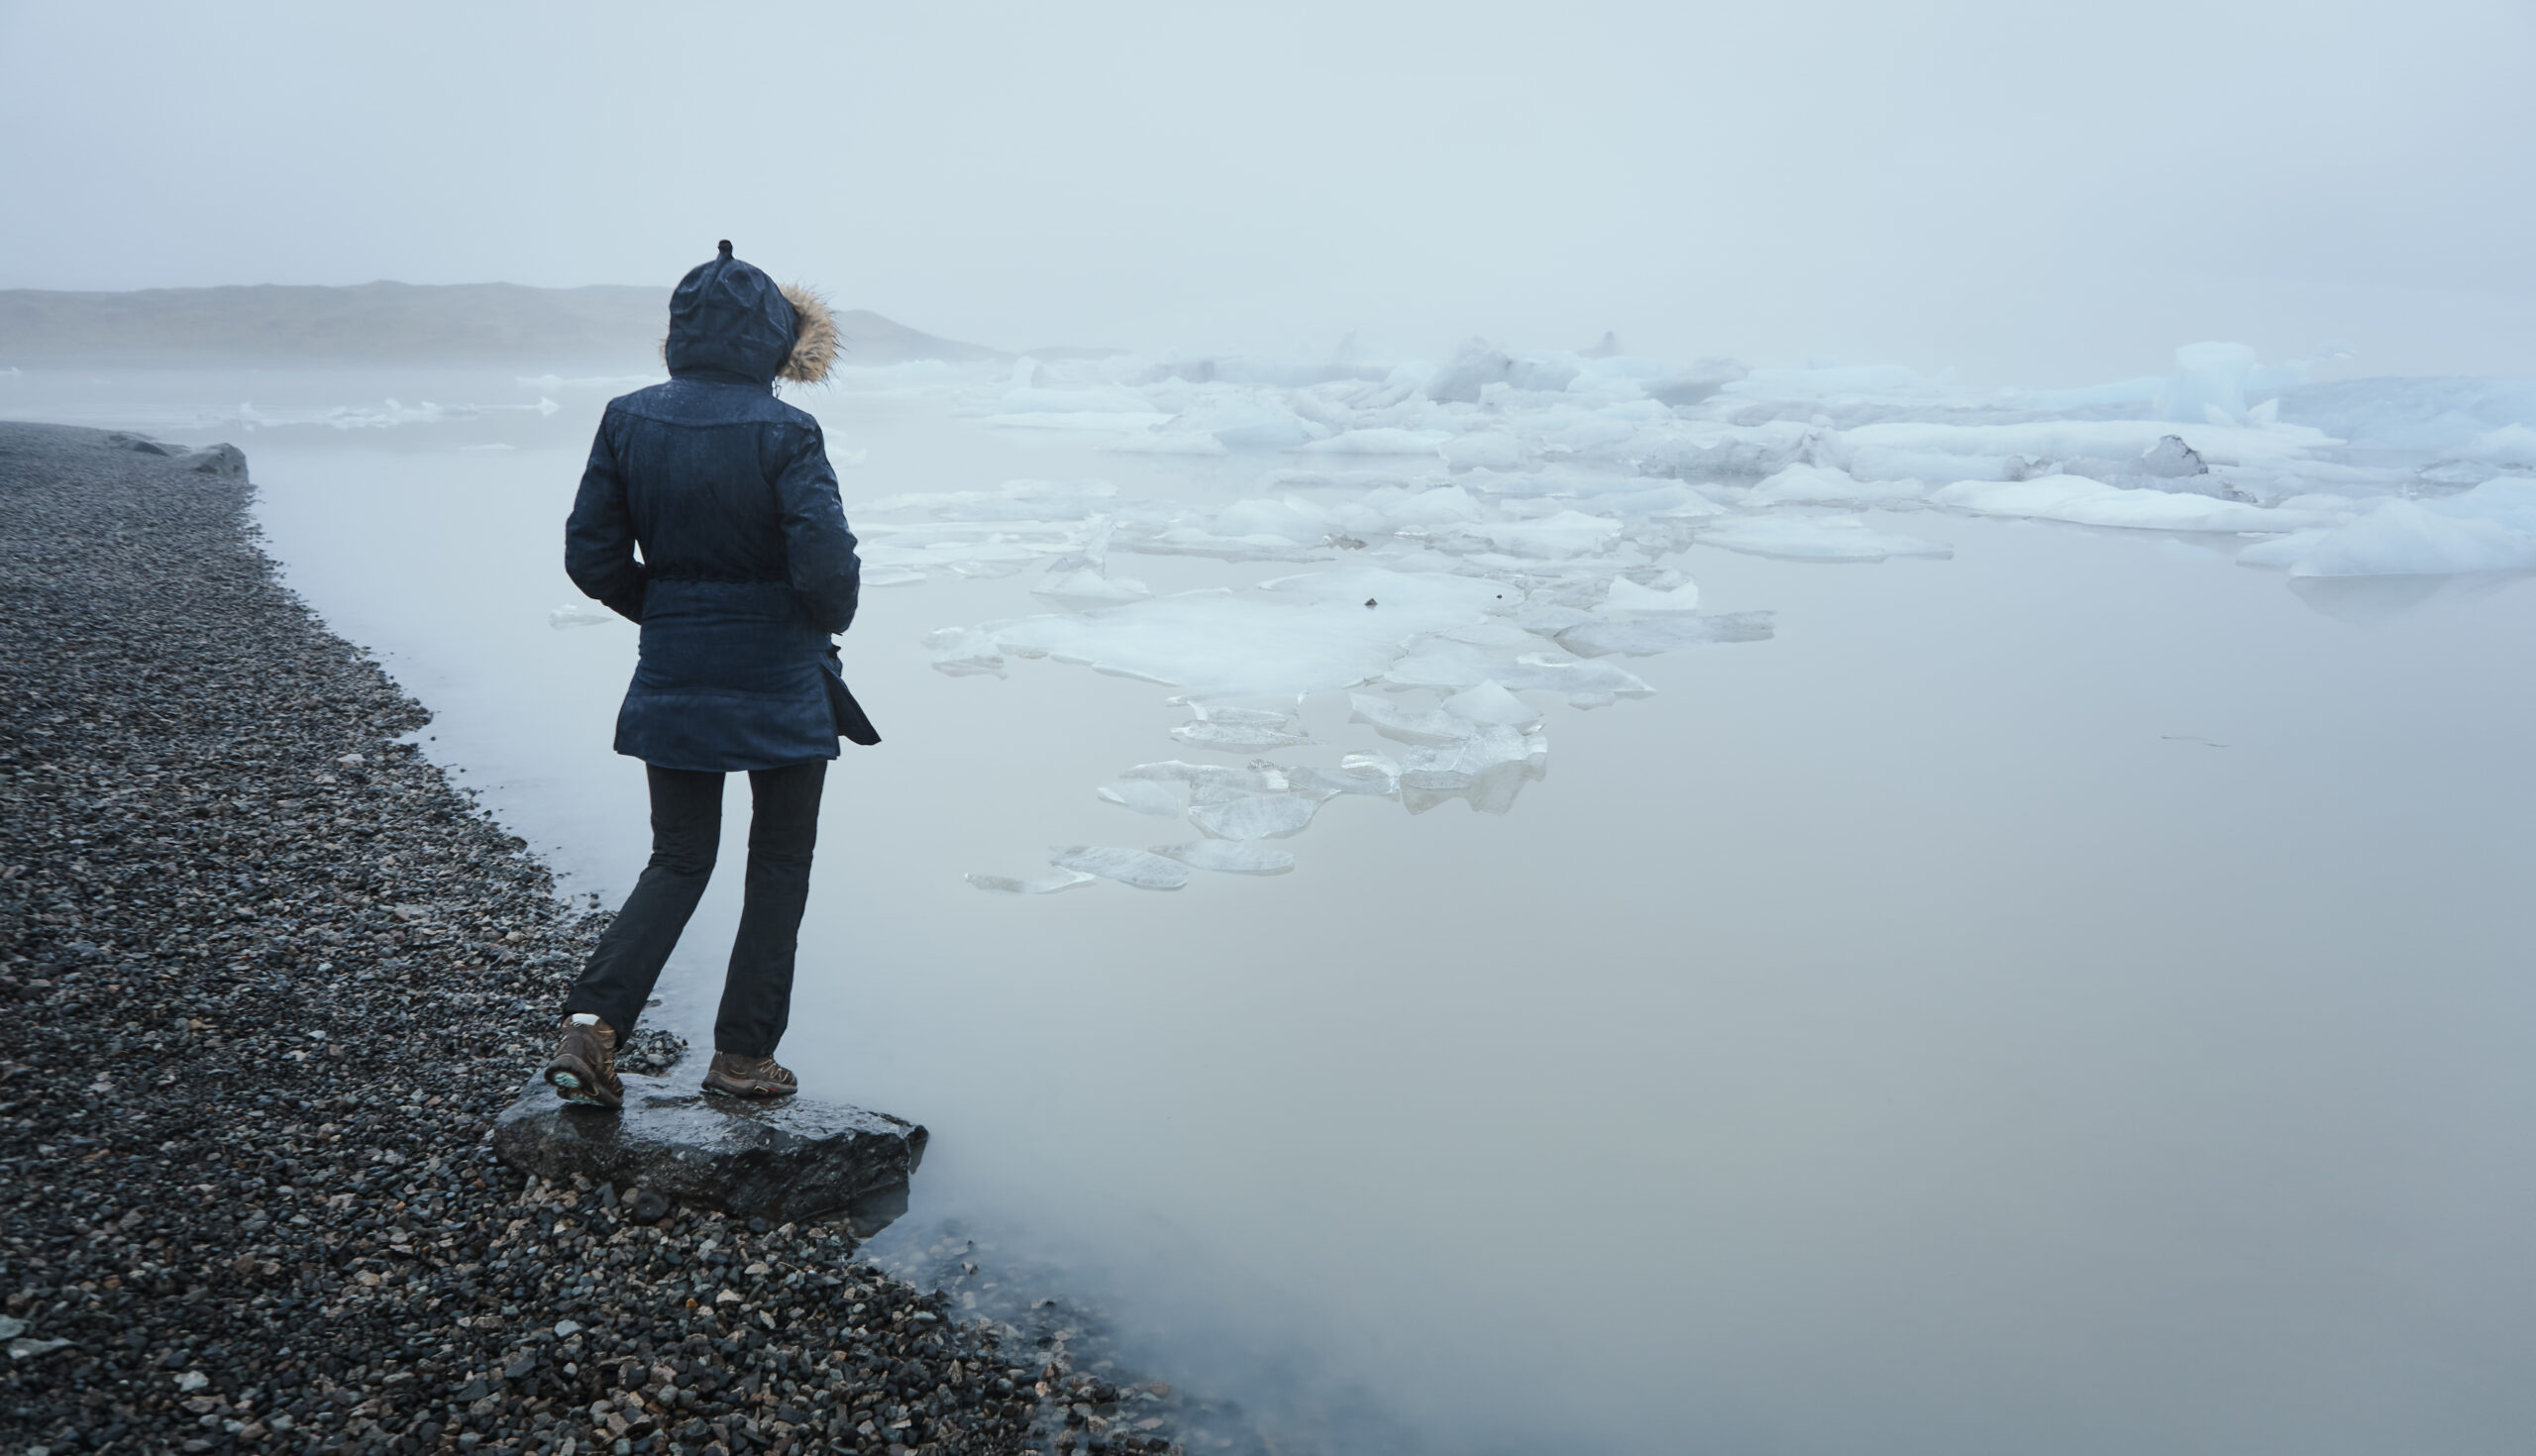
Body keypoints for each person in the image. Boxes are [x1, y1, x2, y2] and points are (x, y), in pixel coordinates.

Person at [542, 241, 877, 1109]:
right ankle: (741, 1060)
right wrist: (820, 620)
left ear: (680, 333)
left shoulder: (628, 417)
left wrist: (668, 610)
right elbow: (827, 569)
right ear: (774, 338)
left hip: (676, 668)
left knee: (679, 858)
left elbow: (592, 555)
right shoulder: (789, 429)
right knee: (779, 864)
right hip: (783, 676)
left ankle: (592, 1027)